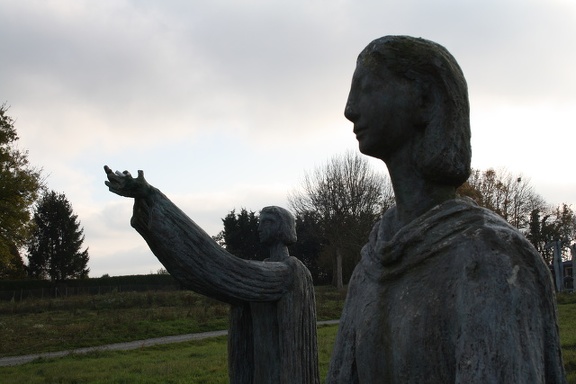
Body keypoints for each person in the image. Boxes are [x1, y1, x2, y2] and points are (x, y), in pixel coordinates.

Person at [326, 35, 566, 383]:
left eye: (367, 87)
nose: (349, 108)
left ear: (424, 100)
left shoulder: (491, 259)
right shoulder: (370, 265)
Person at [103, 167, 319, 384]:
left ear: (283, 227)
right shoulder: (265, 268)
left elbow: (220, 267)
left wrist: (151, 196)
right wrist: (146, 202)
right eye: (259, 221)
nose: (259, 227)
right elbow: (204, 274)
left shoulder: (288, 272)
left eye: (267, 222)